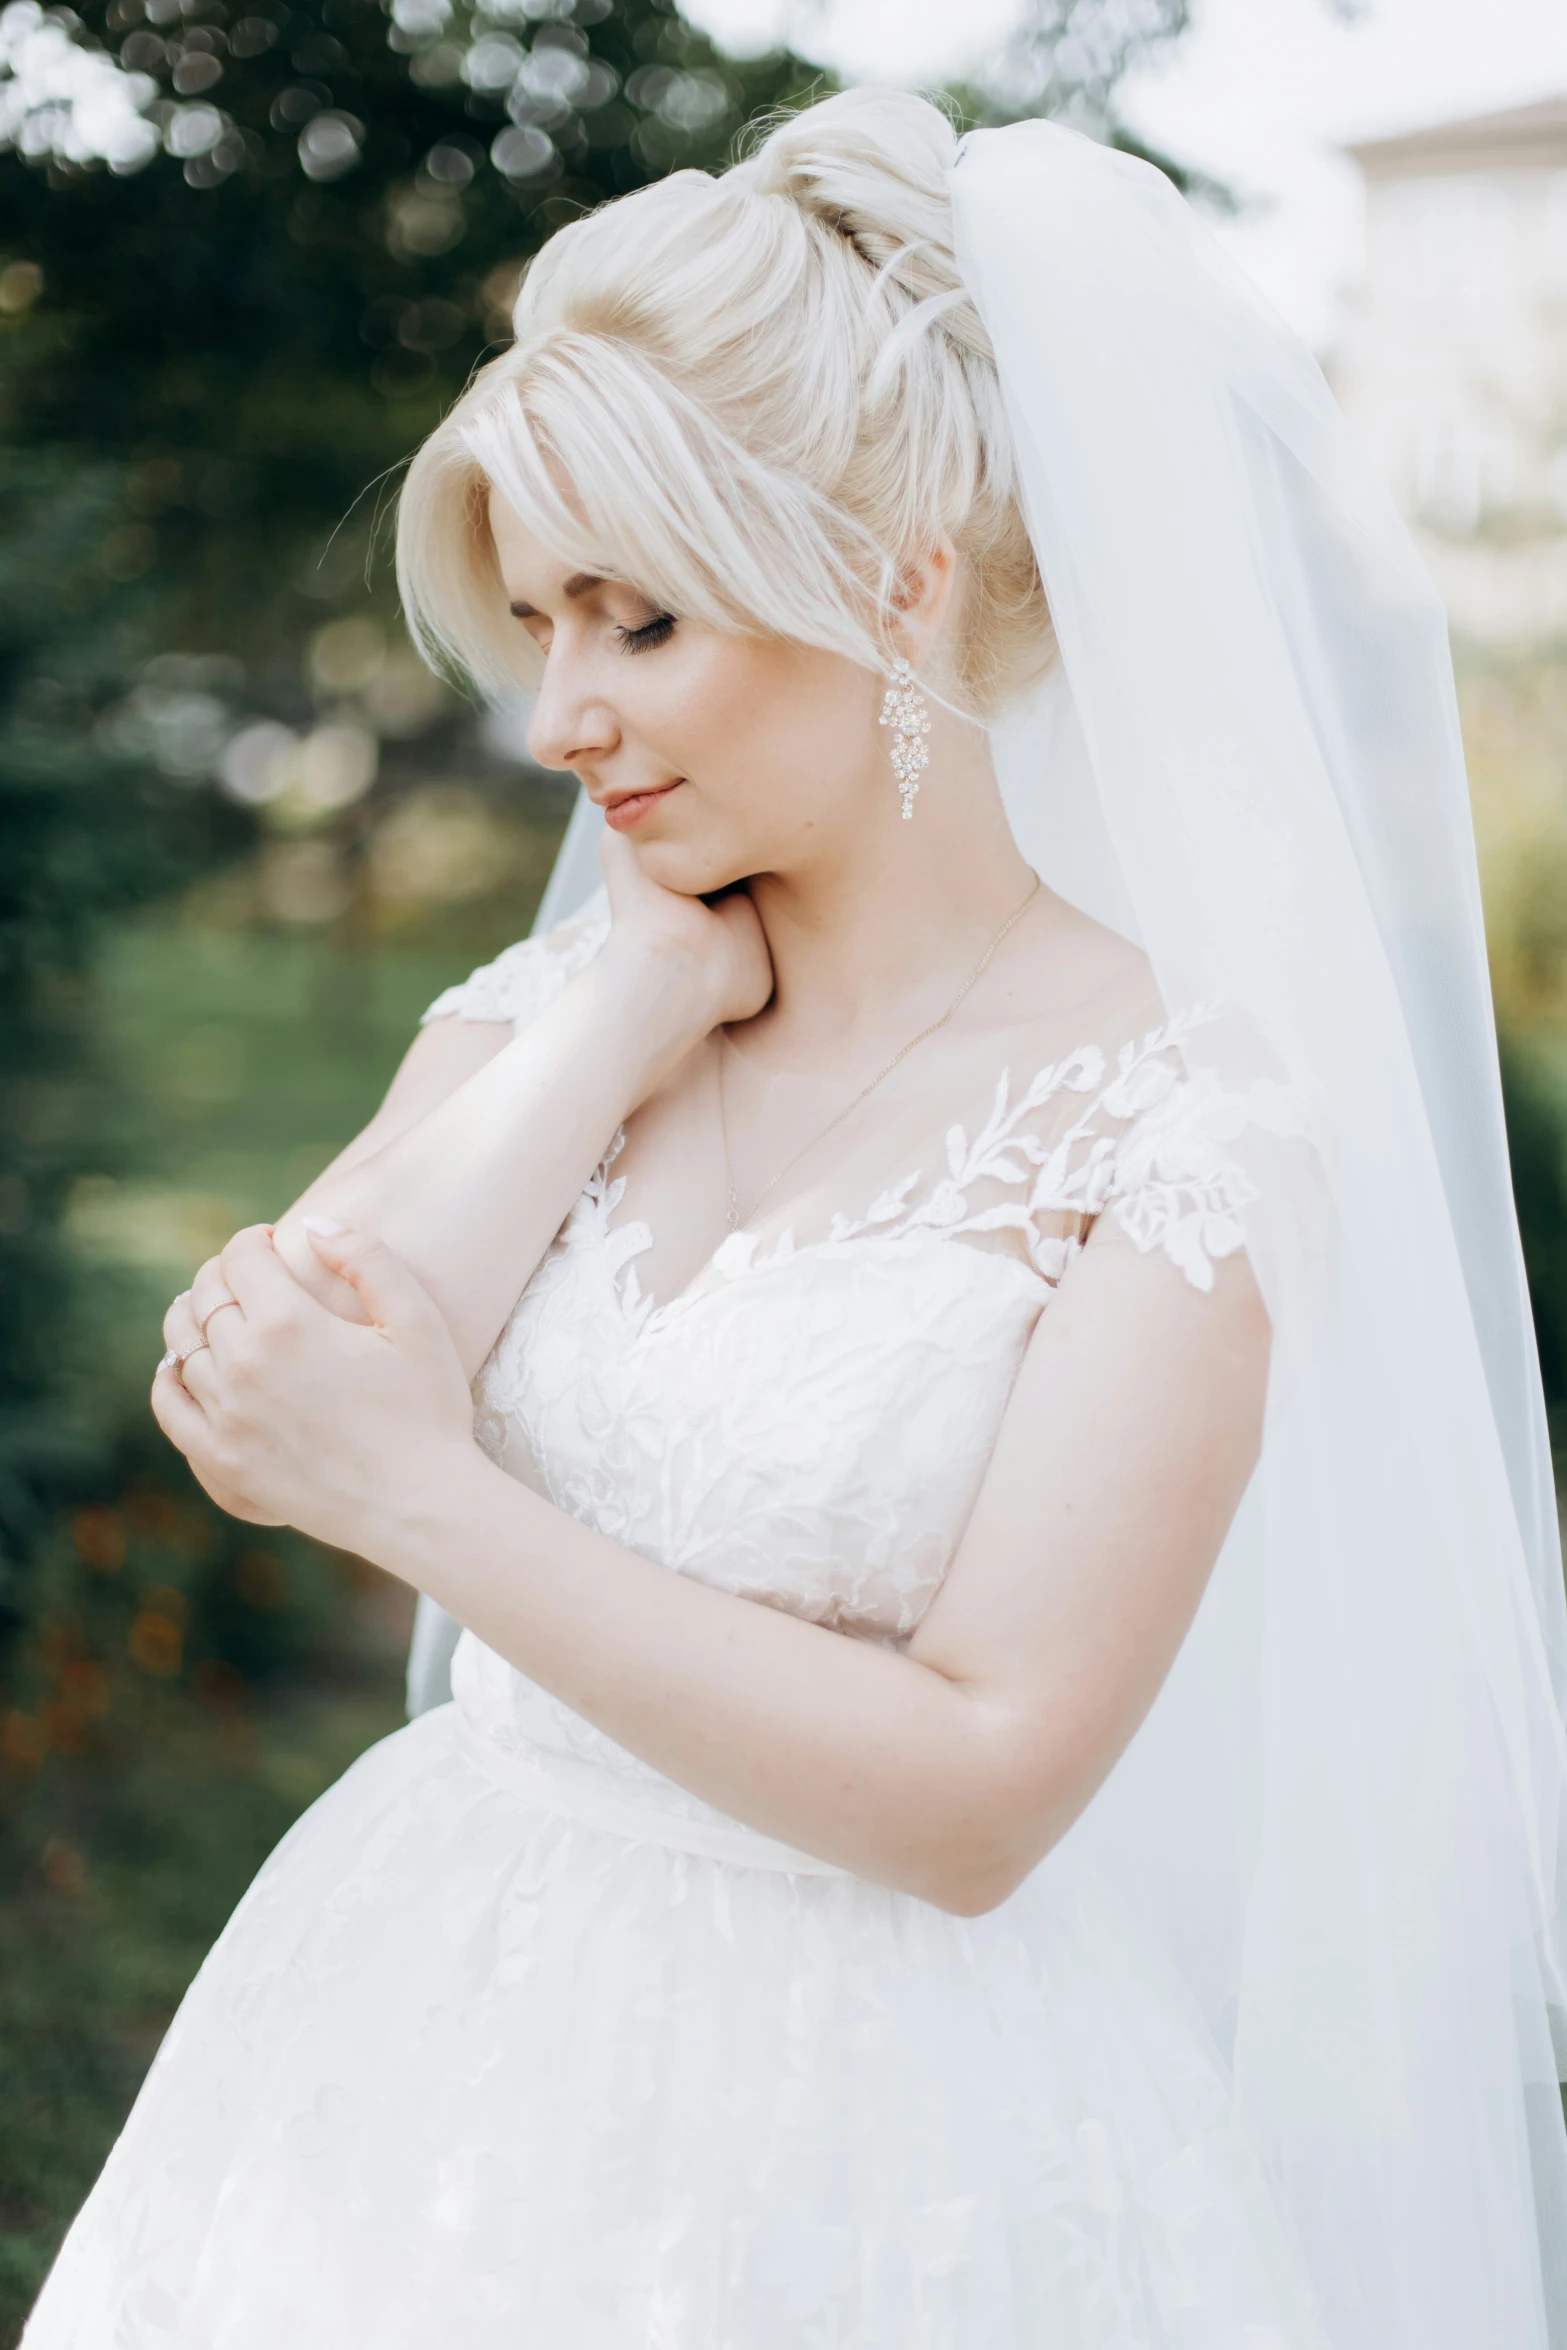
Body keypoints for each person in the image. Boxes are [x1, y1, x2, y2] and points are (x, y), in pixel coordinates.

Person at [24, 87, 1567, 2350]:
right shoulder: (566, 1003)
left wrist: (438, 1505)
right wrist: (624, 1002)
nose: (559, 714)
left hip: (883, 2126)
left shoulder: (1179, 1125)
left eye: (637, 620)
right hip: (429, 2014)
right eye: (541, 620)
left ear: (897, 584)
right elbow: (273, 1381)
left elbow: (974, 1785)